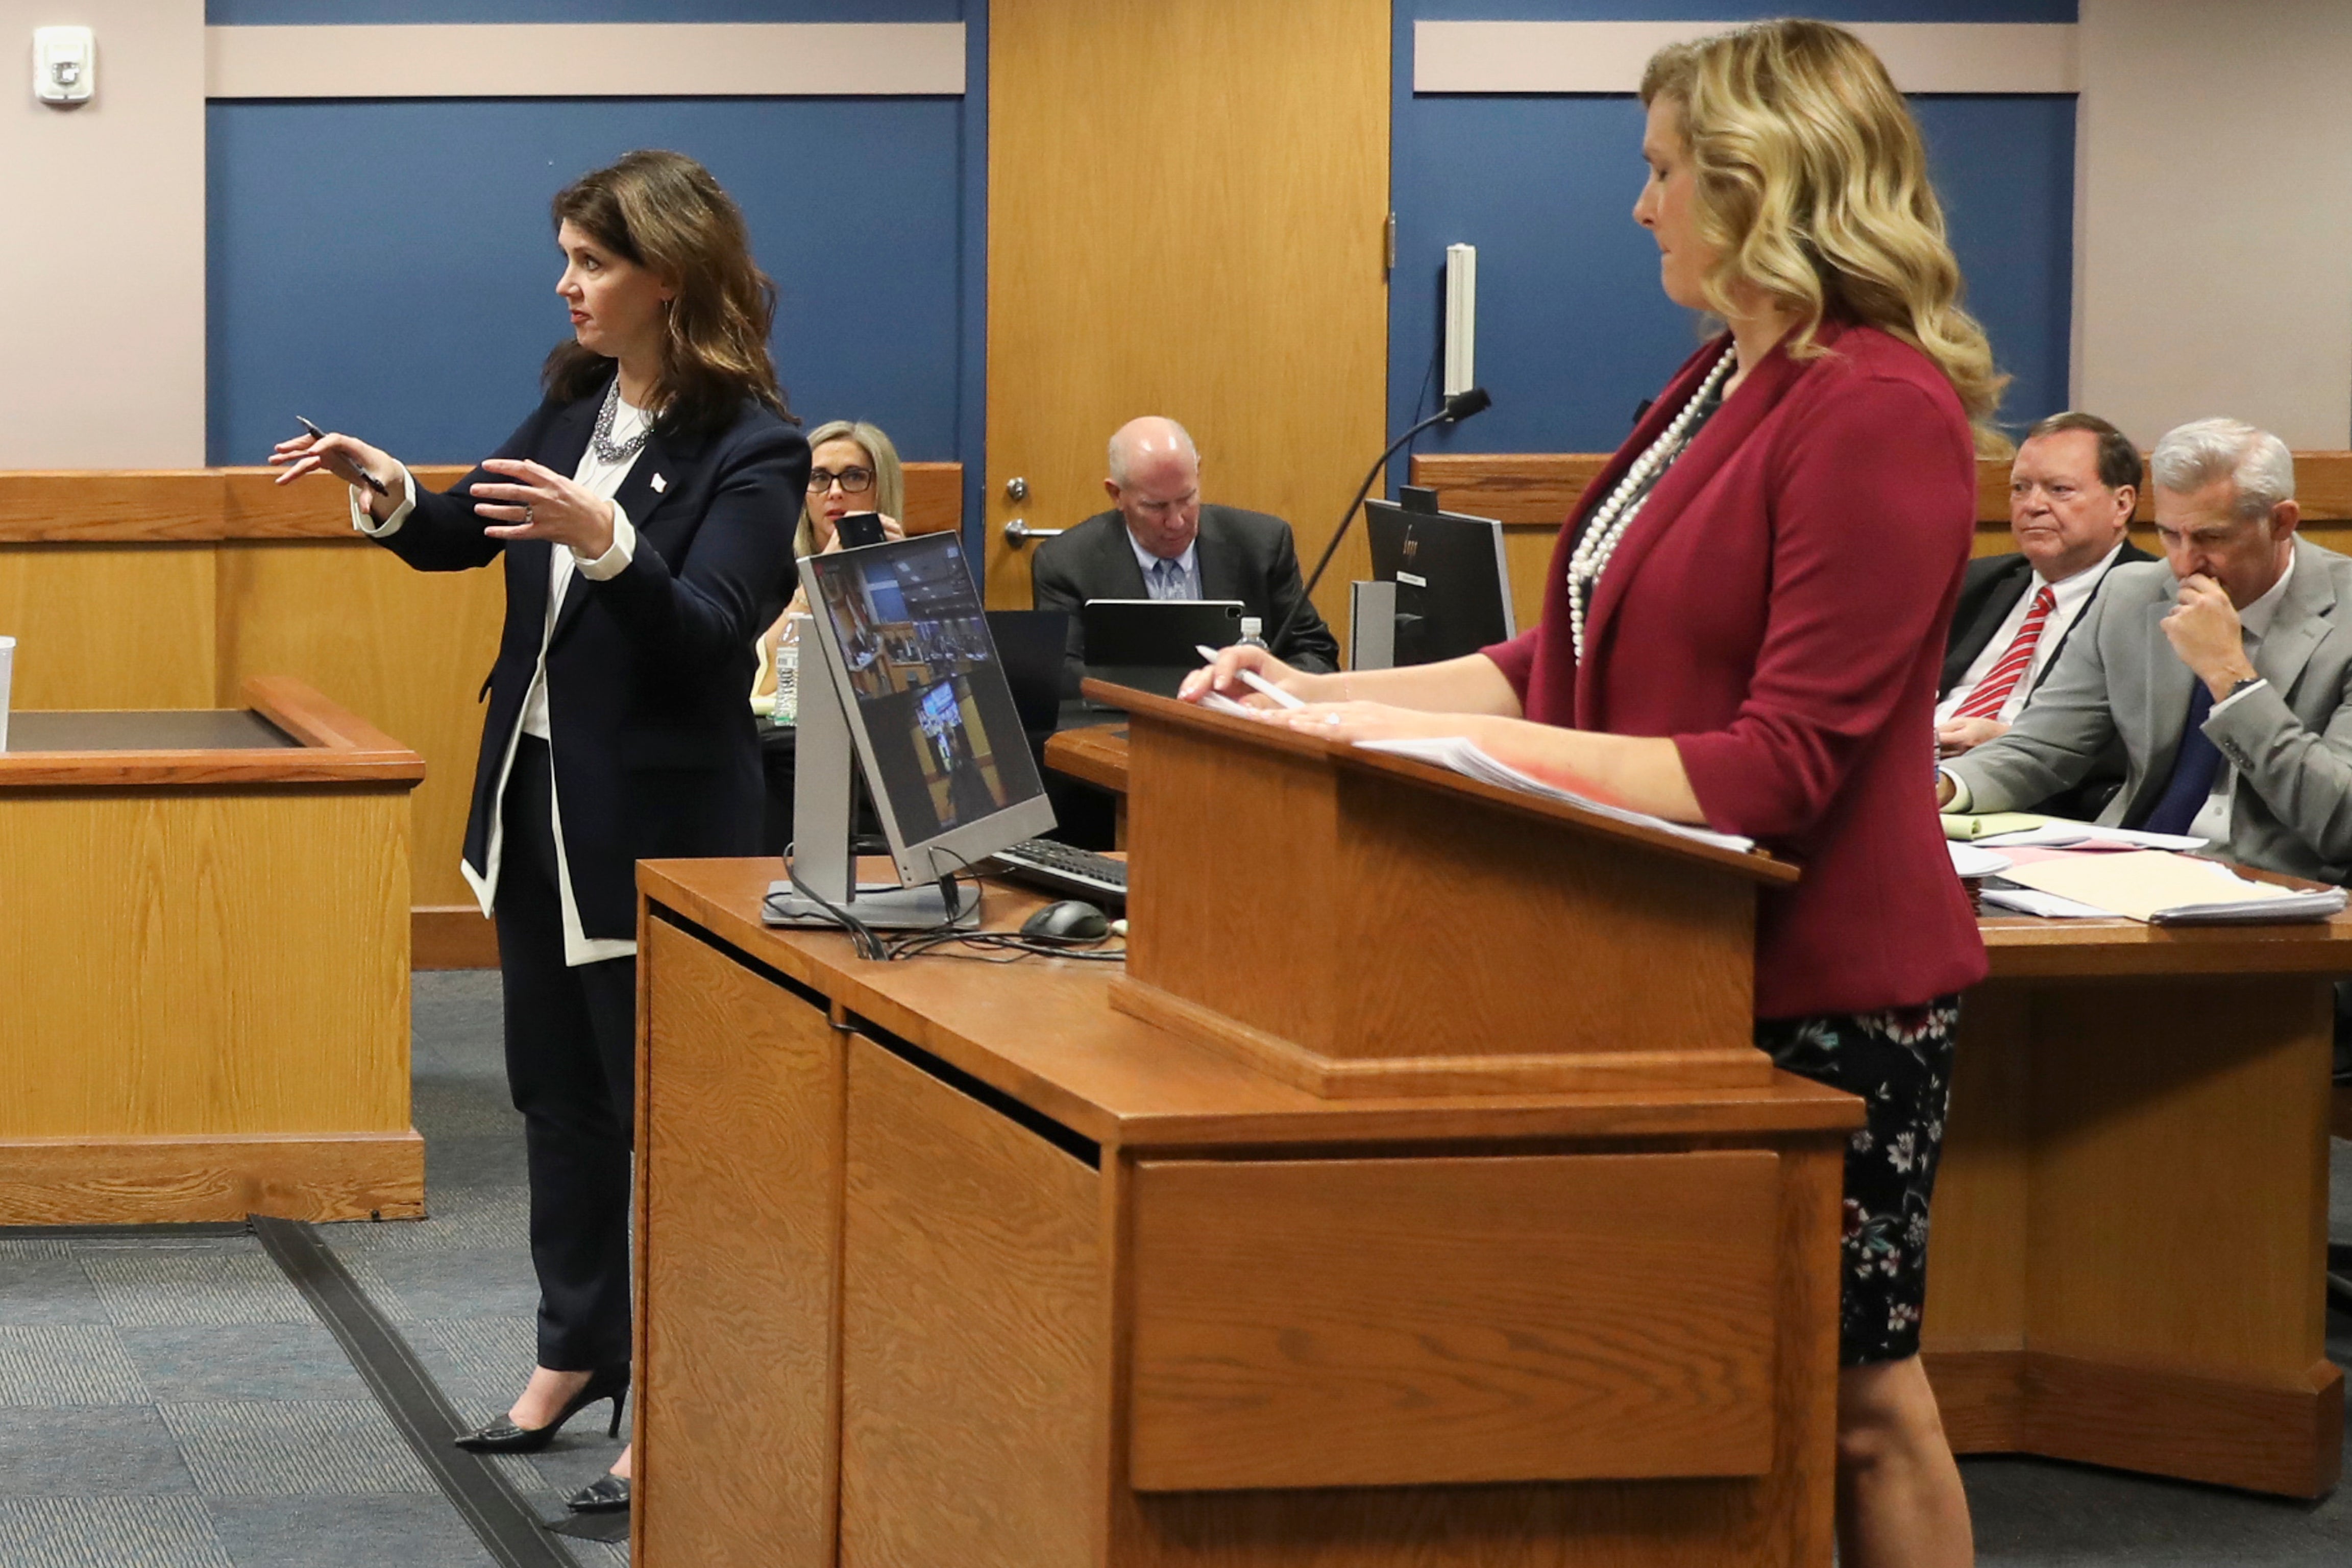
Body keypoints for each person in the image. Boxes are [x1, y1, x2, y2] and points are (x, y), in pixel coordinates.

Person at [1185, 21, 1990, 1566]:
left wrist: (1437, 759)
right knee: (1704, 1395)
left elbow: (1784, 770)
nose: (1643, 209)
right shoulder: (1717, 379)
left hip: (1822, 990)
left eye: (1664, 172)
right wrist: (1319, 699)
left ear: (1766, 183)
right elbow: (1550, 658)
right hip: (1658, 965)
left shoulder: (1876, 408)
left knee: (1858, 1396)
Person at [272, 149, 810, 1516]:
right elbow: (472, 531)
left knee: (663, 1128)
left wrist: (615, 542)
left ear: (666, 279)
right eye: (566, 258)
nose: (565, 284)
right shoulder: (580, 405)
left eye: (592, 262)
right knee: (556, 1103)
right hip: (536, 816)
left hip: (662, 837)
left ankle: (680, 1394)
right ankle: (576, 1351)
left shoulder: (754, 445)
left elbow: (707, 639)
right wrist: (388, 485)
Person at [1940, 418, 2352, 879]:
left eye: (2211, 538)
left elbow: (2342, 821)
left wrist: (2231, 678)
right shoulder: (2130, 593)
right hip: (2131, 869)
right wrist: (1941, 787)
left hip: (2282, 887)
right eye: (2170, 535)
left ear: (2281, 522)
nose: (2183, 563)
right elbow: (2042, 748)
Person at [1031, 416, 1339, 695]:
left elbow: (1316, 653)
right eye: (1155, 507)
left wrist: (1258, 687)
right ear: (1117, 495)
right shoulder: (1066, 562)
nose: (1177, 521)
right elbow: (1062, 677)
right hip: (1126, 732)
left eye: (1187, 498)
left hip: (1243, 729)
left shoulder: (1262, 544)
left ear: (1198, 473)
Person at [1938, 411, 2154, 760]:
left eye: (2059, 490)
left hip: (2041, 790)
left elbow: (2151, 744)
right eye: (2020, 488)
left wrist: (2012, 743)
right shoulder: (1974, 583)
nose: (2033, 505)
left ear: (2122, 504)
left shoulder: (2155, 599)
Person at [755, 417, 908, 701]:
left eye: (854, 477)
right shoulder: (772, 564)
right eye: (819, 478)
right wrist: (821, 576)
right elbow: (762, 681)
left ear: (881, 488)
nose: (835, 492)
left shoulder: (908, 565)